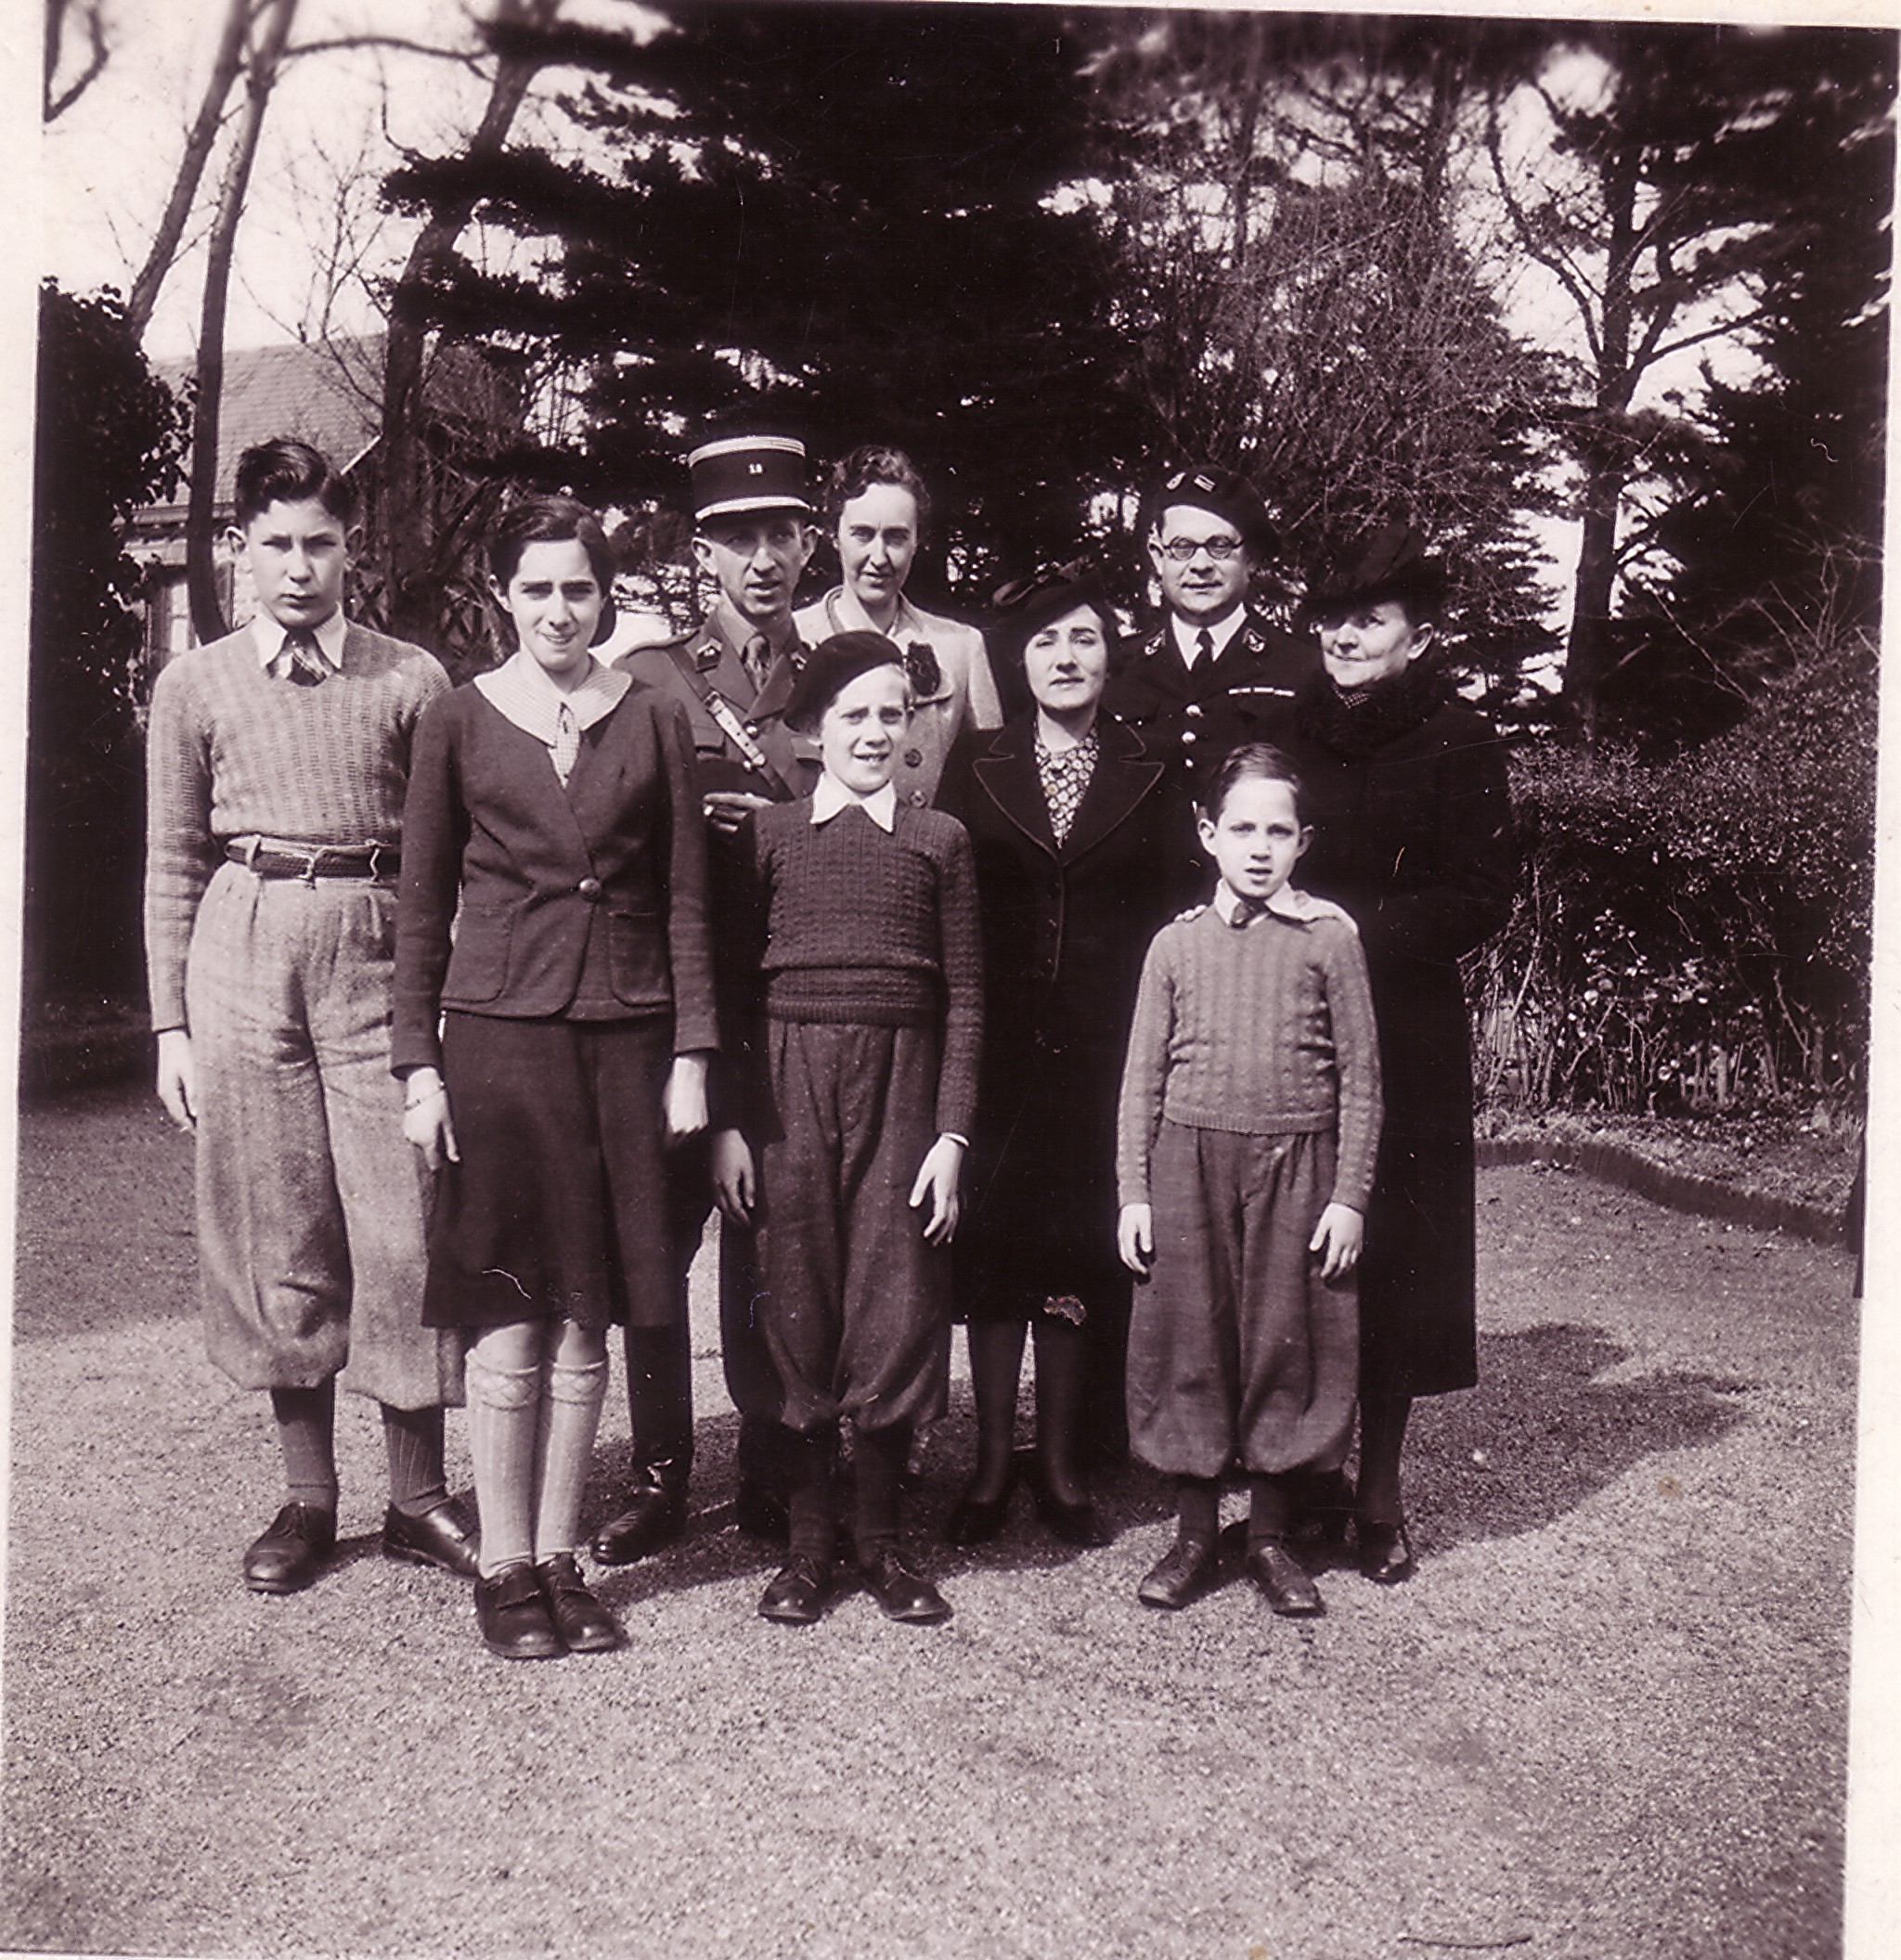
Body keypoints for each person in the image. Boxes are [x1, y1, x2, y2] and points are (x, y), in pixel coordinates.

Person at [144, 436, 476, 1595]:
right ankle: (308, 1498)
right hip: (241, 948)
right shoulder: (192, 686)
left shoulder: (411, 680)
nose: (298, 567)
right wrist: (170, 1028)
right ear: (240, 549)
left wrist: (441, 1016)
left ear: (352, 549)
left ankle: (417, 1499)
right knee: (278, 1222)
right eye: (276, 544)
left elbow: (449, 861)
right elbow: (172, 862)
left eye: (320, 544)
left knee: (404, 1220)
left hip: (375, 943)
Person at [393, 496, 716, 1659]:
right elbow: (421, 908)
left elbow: (685, 897)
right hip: (499, 1039)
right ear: (502, 596)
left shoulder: (653, 715)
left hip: (626, 1040)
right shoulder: (458, 718)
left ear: (606, 594)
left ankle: (561, 1557)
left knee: (590, 1308)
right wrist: (418, 1069)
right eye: (535, 588)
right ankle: (503, 1565)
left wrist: (691, 1054)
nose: (558, 610)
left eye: (577, 587)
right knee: (509, 1307)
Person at [716, 632, 982, 1627]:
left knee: (894, 1293)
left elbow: (968, 1002)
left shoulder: (939, 841)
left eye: (890, 714)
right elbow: (732, 995)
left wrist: (951, 1137)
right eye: (852, 715)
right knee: (790, 1294)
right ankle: (807, 1545)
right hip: (784, 1092)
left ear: (913, 728)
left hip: (902, 1086)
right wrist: (729, 1125)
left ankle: (878, 1542)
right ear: (810, 731)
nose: (873, 732)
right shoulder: (770, 837)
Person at [598, 431, 821, 1563]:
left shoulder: (838, 674)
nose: (762, 559)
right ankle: (658, 1473)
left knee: (767, 1234)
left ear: (807, 544)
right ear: (702, 552)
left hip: (784, 1001)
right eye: (739, 538)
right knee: (653, 1234)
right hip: (669, 999)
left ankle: (771, 1463)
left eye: (781, 534)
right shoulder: (649, 679)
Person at [935, 562, 1190, 1550]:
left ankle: (1061, 1463)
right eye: (1045, 642)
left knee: (1081, 1251)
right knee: (997, 1253)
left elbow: (1173, 913)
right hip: (999, 1050)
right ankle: (992, 1462)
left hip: (1105, 1051)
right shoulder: (977, 762)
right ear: (1018, 661)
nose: (1065, 657)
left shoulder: (1150, 766)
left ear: (1109, 653)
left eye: (1083, 638)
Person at [1279, 524, 1515, 1583]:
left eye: (1367, 620)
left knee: (1396, 1257)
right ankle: (1302, 1478)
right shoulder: (1287, 733)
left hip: (1405, 1023)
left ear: (1417, 637)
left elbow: (1481, 894)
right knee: (1294, 1243)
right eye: (1331, 617)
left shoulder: (1459, 739)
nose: (1343, 636)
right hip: (1293, 1020)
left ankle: (1377, 1496)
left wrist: (1352, 932)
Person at [1116, 743, 1380, 1618]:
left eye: (1278, 831)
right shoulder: (1174, 944)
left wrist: (1349, 1197)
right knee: (1190, 1338)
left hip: (1297, 1165)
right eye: (1241, 829)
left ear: (1305, 841)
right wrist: (1133, 1193)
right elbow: (1141, 1081)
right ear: (1208, 834)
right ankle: (1195, 1534)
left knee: (1284, 1342)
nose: (1260, 848)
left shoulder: (1330, 940)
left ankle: (1268, 1534)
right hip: (1187, 1163)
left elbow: (1363, 1081)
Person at [1103, 465, 1320, 873]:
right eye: (1182, 547)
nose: (1200, 564)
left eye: (1220, 546)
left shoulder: (1304, 668)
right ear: (1157, 557)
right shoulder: (1116, 667)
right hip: (1138, 898)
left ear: (1250, 557)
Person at [794, 444, 1003, 808]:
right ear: (834, 536)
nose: (879, 557)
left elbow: (991, 787)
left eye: (896, 537)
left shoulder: (960, 648)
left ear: (917, 541)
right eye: (862, 534)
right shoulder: (791, 637)